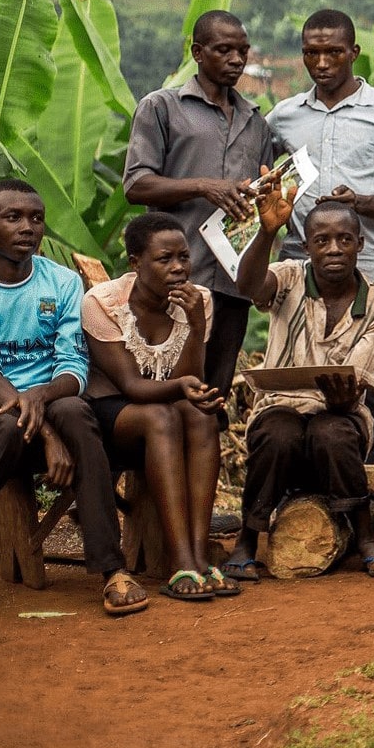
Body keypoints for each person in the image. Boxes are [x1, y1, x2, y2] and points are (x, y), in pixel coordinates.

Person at [221, 181, 374, 580]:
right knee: (278, 433)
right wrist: (267, 231)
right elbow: (249, 286)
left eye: (343, 240)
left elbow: (359, 383)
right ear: (307, 248)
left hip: (342, 414)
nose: (333, 249)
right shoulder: (287, 278)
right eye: (322, 240)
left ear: (361, 245)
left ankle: (367, 535)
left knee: (331, 433)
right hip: (280, 407)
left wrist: (341, 400)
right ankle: (248, 540)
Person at [267, 9, 374, 463]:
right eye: (311, 53)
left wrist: (359, 203)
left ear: (353, 52)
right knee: (297, 387)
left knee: (371, 390)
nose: (322, 63)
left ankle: (373, 490)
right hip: (300, 276)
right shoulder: (284, 118)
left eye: (333, 52)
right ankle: (300, 488)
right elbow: (264, 178)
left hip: (369, 271)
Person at [0, 180, 145, 614]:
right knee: (5, 421)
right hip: (0, 414)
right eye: (12, 217)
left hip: (56, 402)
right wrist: (43, 434)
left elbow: (73, 367)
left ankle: (111, 571)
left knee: (75, 411)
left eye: (36, 218)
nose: (28, 227)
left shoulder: (60, 282)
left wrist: (40, 395)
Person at [123, 10, 275, 422]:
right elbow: (136, 184)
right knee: (164, 397)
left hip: (231, 283)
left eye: (242, 51)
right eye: (223, 49)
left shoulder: (256, 122)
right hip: (174, 282)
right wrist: (204, 185)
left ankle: (198, 488)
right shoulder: (162, 106)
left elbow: (261, 196)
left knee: (211, 401)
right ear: (198, 52)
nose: (236, 59)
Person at [81, 213, 230, 601]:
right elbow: (129, 384)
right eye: (165, 259)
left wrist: (196, 328)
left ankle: (198, 558)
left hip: (168, 407)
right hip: (110, 412)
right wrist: (183, 386)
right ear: (135, 263)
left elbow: (190, 378)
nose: (178, 267)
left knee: (200, 414)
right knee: (162, 414)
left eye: (184, 257)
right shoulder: (104, 303)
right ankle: (179, 561)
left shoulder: (199, 302)